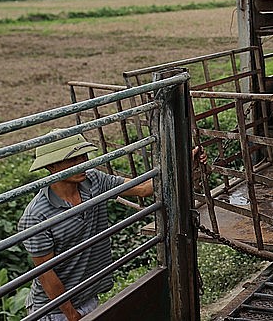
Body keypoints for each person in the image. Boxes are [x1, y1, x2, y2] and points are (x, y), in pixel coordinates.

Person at [17, 131, 206, 321]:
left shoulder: (94, 180)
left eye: (83, 156)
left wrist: (185, 162)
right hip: (55, 312)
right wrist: (71, 315)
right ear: (52, 166)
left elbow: (143, 188)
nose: (82, 162)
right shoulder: (36, 215)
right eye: (73, 159)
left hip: (88, 298)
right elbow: (46, 275)